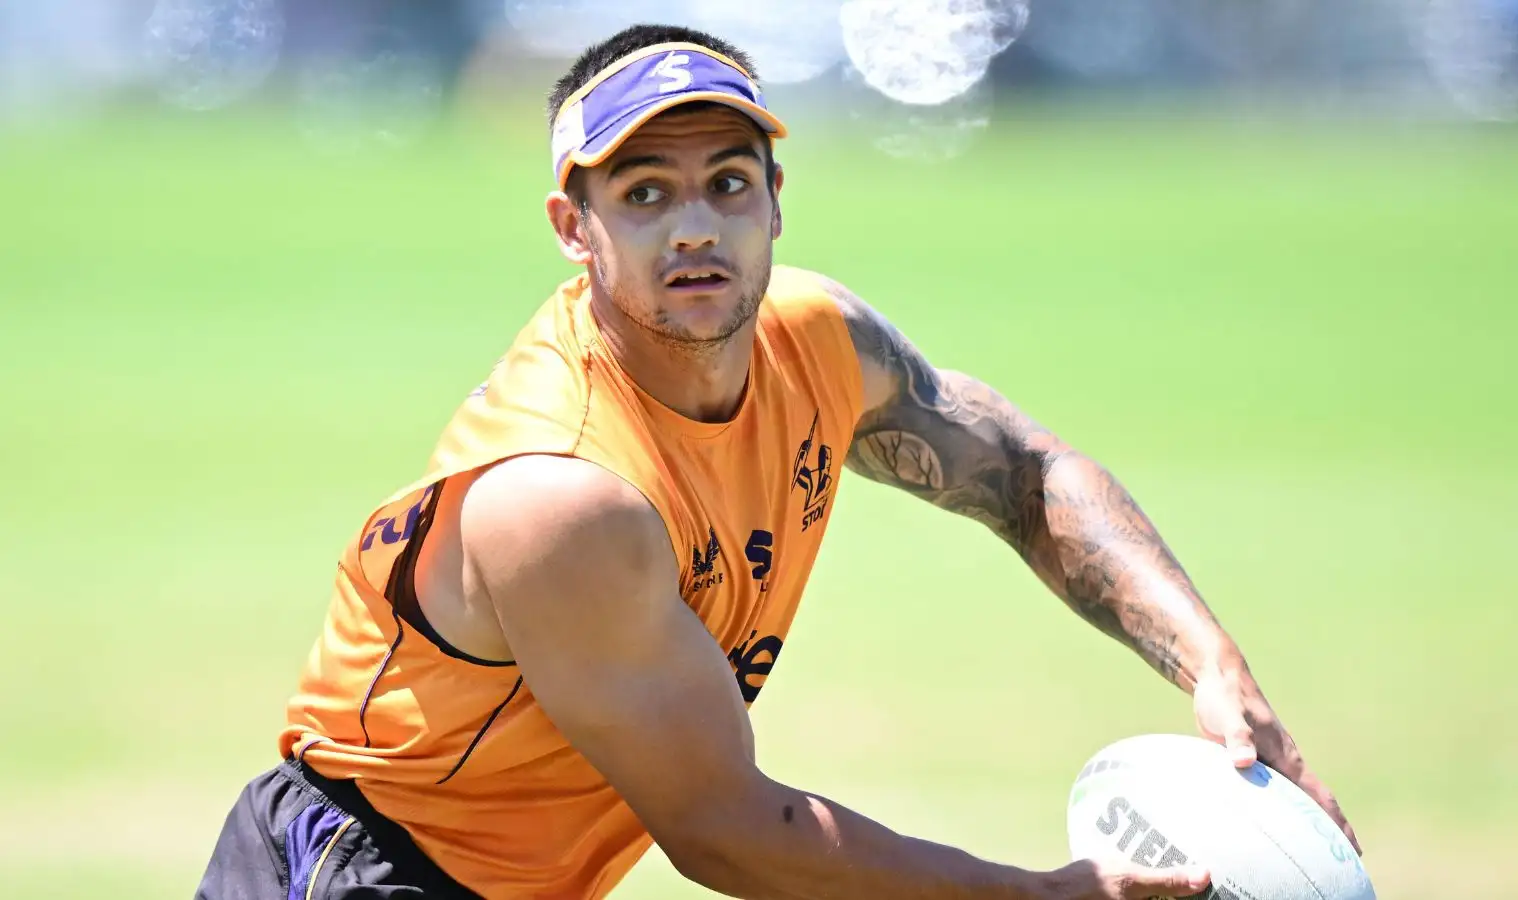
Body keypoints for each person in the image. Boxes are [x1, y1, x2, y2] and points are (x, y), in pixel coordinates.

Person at [195, 22, 1361, 900]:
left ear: (775, 203)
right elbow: (727, 832)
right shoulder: (563, 494)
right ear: (572, 225)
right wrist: (1043, 896)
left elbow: (1021, 473)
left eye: (726, 184)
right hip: (360, 876)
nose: (695, 225)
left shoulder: (819, 343)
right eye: (644, 194)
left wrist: (1207, 659)